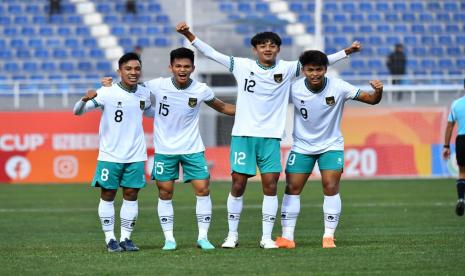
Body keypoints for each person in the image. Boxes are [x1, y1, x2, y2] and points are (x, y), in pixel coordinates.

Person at [176, 22, 361, 249]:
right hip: (244, 134)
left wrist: (345, 53)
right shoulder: (241, 65)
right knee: (238, 184)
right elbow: (211, 53)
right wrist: (188, 35)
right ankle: (232, 235)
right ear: (255, 49)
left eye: (272, 45)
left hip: (271, 137)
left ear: (278, 50)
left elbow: (319, 63)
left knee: (271, 185)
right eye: (263, 45)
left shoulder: (287, 69)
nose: (267, 48)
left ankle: (266, 237)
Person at [102, 48, 235, 250]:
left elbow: (224, 108)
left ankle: (203, 237)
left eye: (186, 66)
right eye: (178, 66)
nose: (182, 69)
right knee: (165, 193)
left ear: (193, 68)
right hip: (165, 149)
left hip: (192, 148)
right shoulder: (157, 85)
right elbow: (130, 86)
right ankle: (169, 239)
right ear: (170, 67)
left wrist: (252, 109)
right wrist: (109, 87)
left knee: (203, 189)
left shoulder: (201, 89)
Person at [274, 50, 383, 249]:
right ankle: (287, 237)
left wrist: (378, 92)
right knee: (292, 188)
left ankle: (328, 236)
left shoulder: (339, 87)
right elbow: (270, 102)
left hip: (331, 145)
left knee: (330, 186)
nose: (314, 74)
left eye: (319, 69)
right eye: (310, 70)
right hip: (301, 146)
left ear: (326, 69)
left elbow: (372, 100)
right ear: (303, 70)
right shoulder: (293, 89)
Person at [73, 53, 152, 252]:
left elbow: (151, 111)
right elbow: (77, 111)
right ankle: (110, 239)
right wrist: (84, 99)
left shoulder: (143, 93)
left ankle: (126, 239)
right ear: (120, 71)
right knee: (108, 194)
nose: (133, 72)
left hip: (135, 155)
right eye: (128, 69)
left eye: (136, 69)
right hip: (110, 155)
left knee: (131, 195)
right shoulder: (107, 92)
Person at [442, 79, 465, 216]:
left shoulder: (456, 104)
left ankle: (461, 198)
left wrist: (446, 146)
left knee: (462, 172)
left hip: (462, 140)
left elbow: (450, 126)